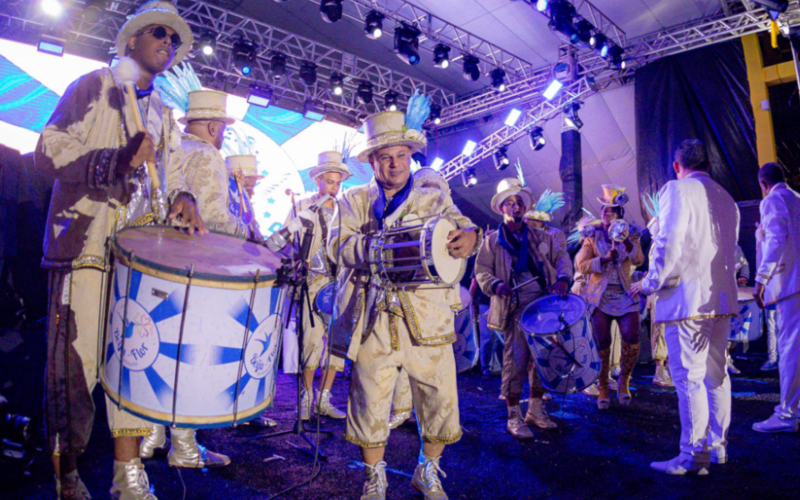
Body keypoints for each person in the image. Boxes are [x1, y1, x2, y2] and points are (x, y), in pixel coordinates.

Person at [36, 2, 205, 498]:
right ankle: (66, 472)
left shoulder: (164, 115)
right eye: (159, 33)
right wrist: (113, 160)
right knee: (76, 369)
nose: (168, 43)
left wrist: (185, 199)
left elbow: (166, 181)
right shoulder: (96, 85)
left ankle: (126, 474)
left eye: (174, 39)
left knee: (135, 361)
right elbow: (48, 149)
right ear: (131, 40)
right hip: (85, 245)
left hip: (138, 261)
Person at [328, 103, 480, 500]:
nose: (395, 164)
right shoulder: (353, 200)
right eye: (385, 157)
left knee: (439, 397)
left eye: (401, 155)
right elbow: (336, 246)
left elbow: (464, 228)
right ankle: (374, 477)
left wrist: (471, 238)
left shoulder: (433, 199)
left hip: (427, 316)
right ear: (373, 161)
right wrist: (382, 250)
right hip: (373, 315)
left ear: (411, 156)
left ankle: (427, 471)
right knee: (370, 398)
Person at [138, 76, 237, 469]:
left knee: (158, 351)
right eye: (224, 130)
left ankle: (152, 437)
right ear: (215, 127)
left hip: (158, 265)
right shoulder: (208, 155)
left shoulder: (170, 149)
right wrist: (254, 238)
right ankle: (185, 448)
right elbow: (213, 218)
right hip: (195, 269)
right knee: (188, 356)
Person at [630, 139, 739, 475]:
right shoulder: (727, 199)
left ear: (677, 166)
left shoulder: (676, 190)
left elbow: (669, 241)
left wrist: (648, 283)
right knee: (716, 377)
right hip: (721, 298)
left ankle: (693, 456)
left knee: (690, 379)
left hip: (687, 301)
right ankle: (717, 448)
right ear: (707, 164)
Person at [475, 178, 572, 438]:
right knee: (515, 362)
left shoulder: (542, 237)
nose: (516, 207)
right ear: (501, 209)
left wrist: (563, 278)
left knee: (543, 359)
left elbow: (561, 258)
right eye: (510, 203)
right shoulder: (493, 241)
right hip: (515, 308)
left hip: (543, 307)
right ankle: (514, 416)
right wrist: (495, 285)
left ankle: (536, 410)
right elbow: (482, 271)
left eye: (519, 203)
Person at [387, 167, 461, 430]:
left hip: (436, 299)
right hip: (407, 293)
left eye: (436, 189)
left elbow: (453, 263)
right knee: (402, 355)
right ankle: (402, 408)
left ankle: (432, 418)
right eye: (426, 188)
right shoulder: (403, 218)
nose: (431, 193)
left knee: (434, 362)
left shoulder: (449, 225)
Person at [285, 151, 351, 420]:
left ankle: (324, 399)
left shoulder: (346, 211)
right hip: (312, 284)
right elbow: (287, 241)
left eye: (337, 183)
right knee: (311, 342)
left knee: (336, 344)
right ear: (318, 182)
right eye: (329, 182)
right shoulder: (301, 207)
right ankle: (306, 397)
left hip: (340, 286)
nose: (334, 188)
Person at [575, 186, 644, 409]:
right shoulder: (592, 236)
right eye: (604, 209)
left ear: (619, 214)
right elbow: (582, 266)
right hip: (599, 297)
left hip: (624, 294)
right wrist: (603, 259)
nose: (607, 213)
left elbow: (639, 260)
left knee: (632, 335)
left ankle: (624, 381)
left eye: (612, 210)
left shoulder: (630, 234)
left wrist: (626, 243)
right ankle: (603, 384)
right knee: (602, 341)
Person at [751, 162, 800, 433]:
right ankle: (793, 407)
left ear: (763, 184)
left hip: (790, 285)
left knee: (790, 349)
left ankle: (787, 414)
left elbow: (776, 240)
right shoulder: (796, 198)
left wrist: (761, 279)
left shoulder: (772, 200)